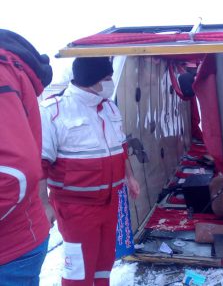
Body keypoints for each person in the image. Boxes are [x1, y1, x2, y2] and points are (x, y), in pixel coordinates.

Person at [40, 57, 140, 285]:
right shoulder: (53, 111)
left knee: (104, 264)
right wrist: (43, 204)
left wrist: (130, 176)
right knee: (79, 270)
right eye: (106, 78)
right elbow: (40, 163)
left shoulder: (110, 108)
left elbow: (120, 147)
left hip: (110, 202)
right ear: (91, 80)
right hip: (76, 208)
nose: (110, 82)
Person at [0, 29, 53, 285]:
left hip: (10, 245)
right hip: (27, 228)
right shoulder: (57, 108)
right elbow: (37, 161)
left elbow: (15, 171)